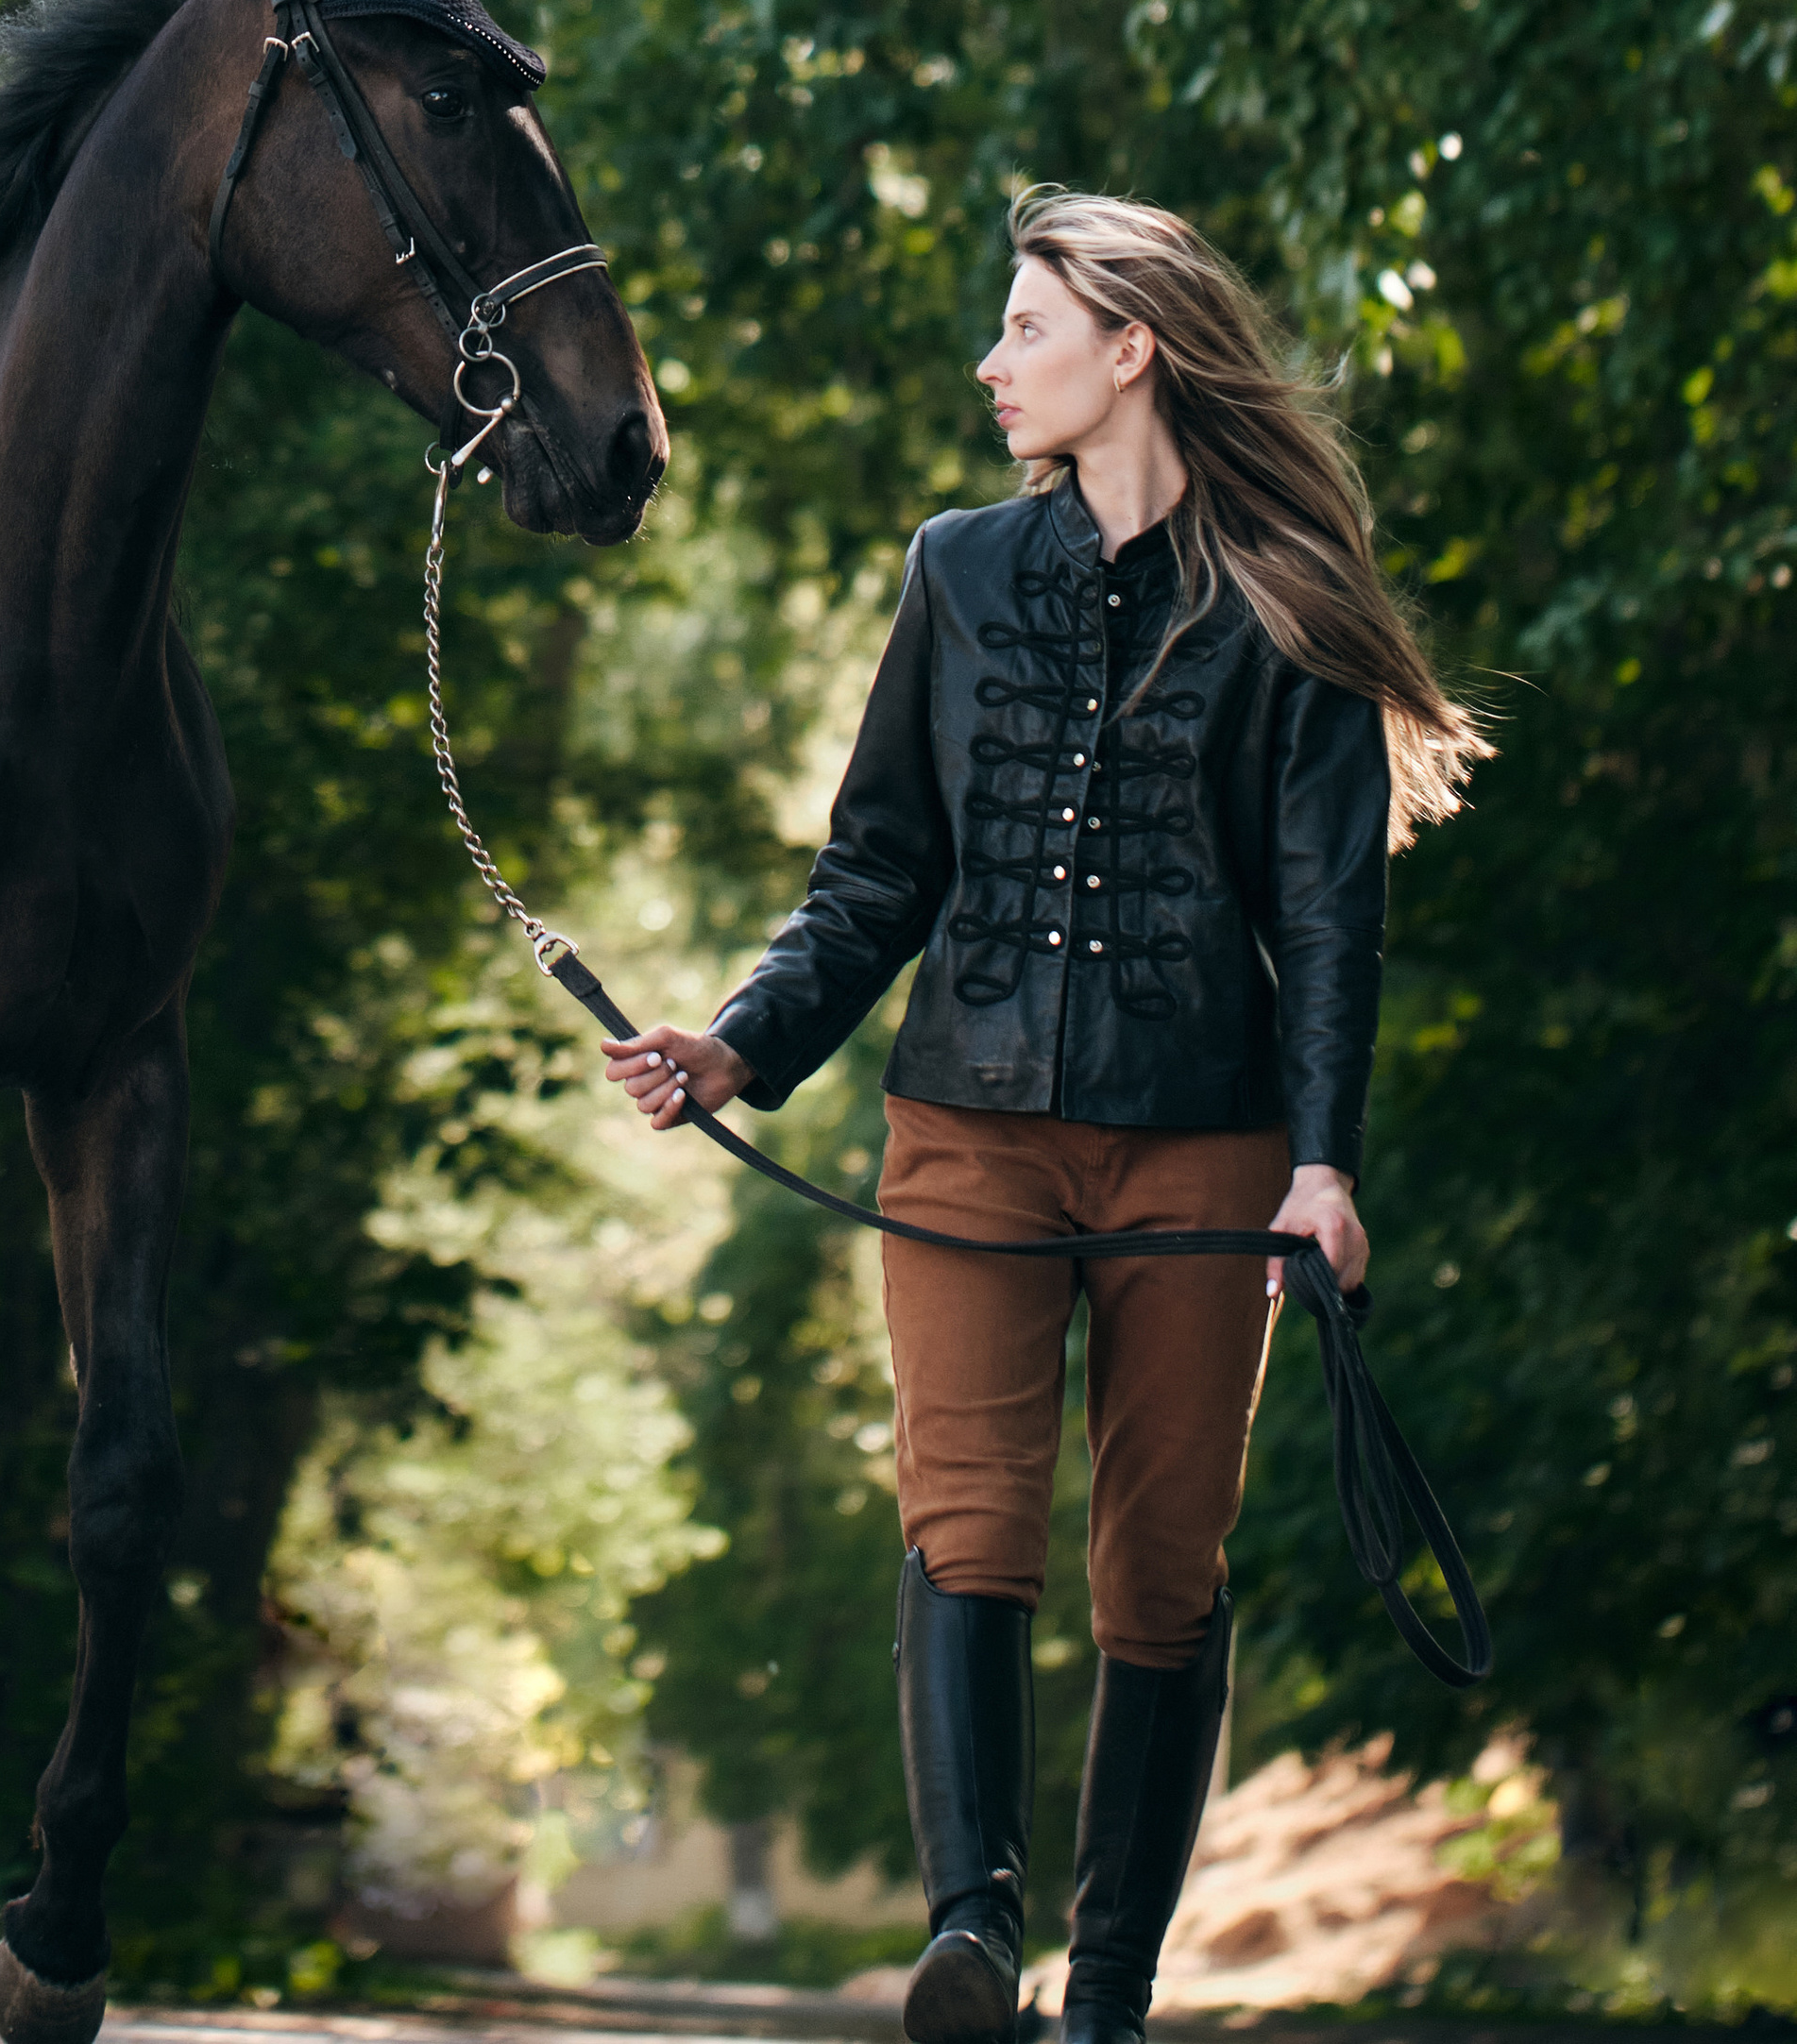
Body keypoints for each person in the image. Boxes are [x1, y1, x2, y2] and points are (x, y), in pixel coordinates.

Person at [604, 188, 1485, 2044]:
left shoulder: (1280, 604)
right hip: (965, 1129)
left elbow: (1328, 916)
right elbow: (872, 871)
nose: (992, 361)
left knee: (1158, 1564)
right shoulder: (952, 571)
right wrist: (739, 1046)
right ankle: (966, 1930)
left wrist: (1320, 1165)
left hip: (1203, 1148)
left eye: (1023, 325)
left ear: (1128, 345)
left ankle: (1104, 1989)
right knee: (964, 1516)